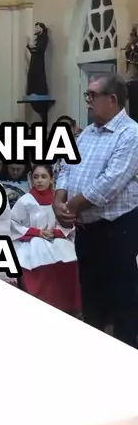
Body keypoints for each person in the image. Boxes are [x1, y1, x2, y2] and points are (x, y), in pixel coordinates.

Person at [54, 73, 138, 348]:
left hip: (117, 229)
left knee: (121, 298)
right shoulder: (87, 133)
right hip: (86, 230)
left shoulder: (131, 134)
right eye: (87, 94)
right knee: (91, 295)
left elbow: (110, 182)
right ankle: (95, 350)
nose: (87, 101)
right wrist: (58, 200)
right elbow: (66, 167)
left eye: (92, 95)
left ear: (112, 99)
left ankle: (125, 355)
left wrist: (70, 207)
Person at [11, 164, 80, 312]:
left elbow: (69, 222)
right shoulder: (26, 200)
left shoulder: (59, 201)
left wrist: (56, 232)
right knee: (35, 259)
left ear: (51, 179)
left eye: (44, 177)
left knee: (71, 259)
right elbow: (12, 223)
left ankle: (68, 305)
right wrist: (36, 232)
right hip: (32, 240)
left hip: (57, 238)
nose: (39, 181)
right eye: (36, 177)